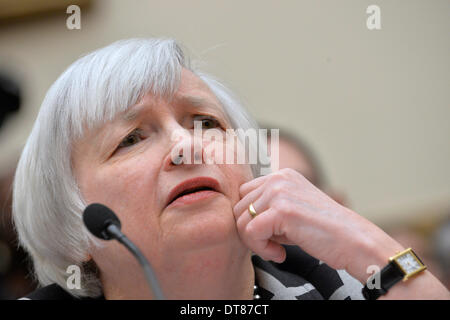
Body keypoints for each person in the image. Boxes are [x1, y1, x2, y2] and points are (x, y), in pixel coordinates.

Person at [12, 38, 449, 300]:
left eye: (206, 123)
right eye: (130, 139)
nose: (187, 147)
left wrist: (369, 246)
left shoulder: (343, 286)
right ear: (73, 224)